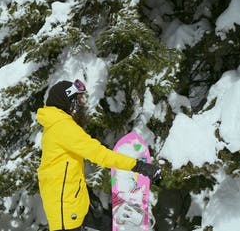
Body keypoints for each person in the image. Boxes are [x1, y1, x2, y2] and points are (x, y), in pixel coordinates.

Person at [37, 79, 161, 231]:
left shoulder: (57, 125)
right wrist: (138, 166)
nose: (82, 103)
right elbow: (99, 154)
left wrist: (86, 192)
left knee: (109, 224)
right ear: (69, 102)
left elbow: (61, 168)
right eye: (78, 99)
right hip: (65, 208)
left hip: (72, 200)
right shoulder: (63, 127)